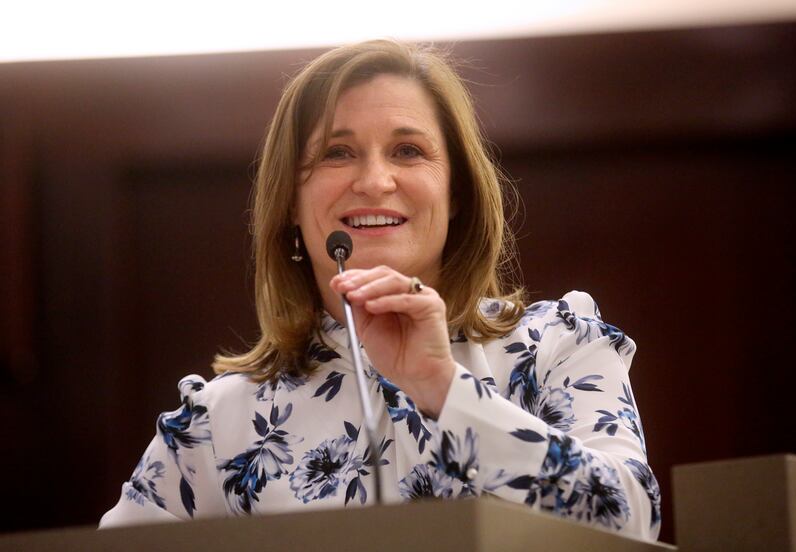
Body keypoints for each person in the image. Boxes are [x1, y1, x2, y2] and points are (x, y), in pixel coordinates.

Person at [100, 39, 661, 540]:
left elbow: (632, 519)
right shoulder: (218, 423)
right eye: (336, 152)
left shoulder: (556, 348)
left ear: (456, 192)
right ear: (291, 206)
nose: (373, 180)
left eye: (408, 150)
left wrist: (443, 387)